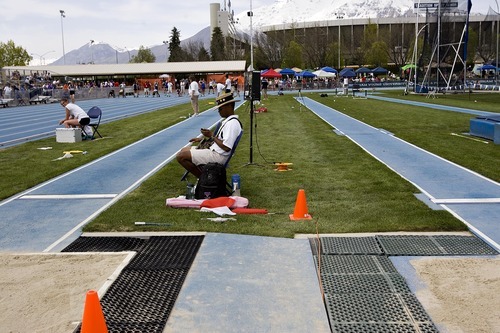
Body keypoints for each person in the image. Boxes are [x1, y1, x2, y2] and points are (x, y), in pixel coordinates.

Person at [176, 92, 242, 178]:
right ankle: (205, 178)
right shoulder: (229, 121)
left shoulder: (232, 124)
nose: (219, 111)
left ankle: (204, 179)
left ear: (229, 106)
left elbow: (226, 147)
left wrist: (211, 135)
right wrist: (202, 140)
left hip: (218, 156)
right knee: (183, 150)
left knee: (181, 156)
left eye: (220, 108)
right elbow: (220, 139)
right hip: (215, 151)